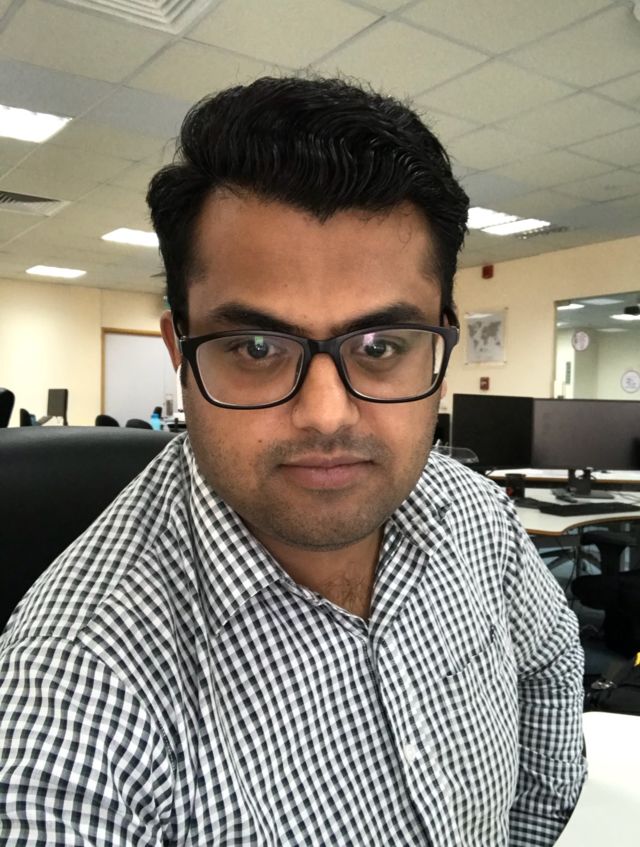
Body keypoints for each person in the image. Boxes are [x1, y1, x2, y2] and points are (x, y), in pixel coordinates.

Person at [0, 77, 586, 846]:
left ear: (441, 341)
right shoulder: (75, 690)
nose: (326, 413)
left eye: (381, 345)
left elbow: (550, 666)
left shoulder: (473, 515)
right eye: (255, 347)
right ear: (181, 352)